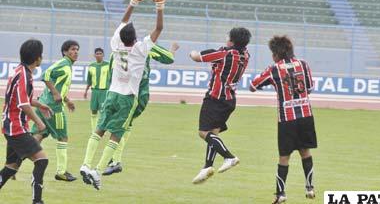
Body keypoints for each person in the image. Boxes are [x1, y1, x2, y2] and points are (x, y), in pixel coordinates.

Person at [80, 0, 167, 190]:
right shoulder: (140, 49)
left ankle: (85, 164)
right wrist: (159, 5)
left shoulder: (114, 44)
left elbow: (123, 21)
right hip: (128, 97)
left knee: (99, 129)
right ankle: (97, 170)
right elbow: (159, 29)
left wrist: (133, 2)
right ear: (135, 38)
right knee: (117, 133)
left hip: (112, 93)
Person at [249, 35, 317, 203]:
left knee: (284, 157)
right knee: (305, 152)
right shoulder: (303, 64)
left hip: (287, 119)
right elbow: (309, 88)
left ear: (275, 54)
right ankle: (310, 188)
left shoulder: (274, 69)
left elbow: (253, 86)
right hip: (306, 115)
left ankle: (281, 194)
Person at [103, 42, 179, 175]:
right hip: (134, 95)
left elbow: (111, 77)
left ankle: (116, 161)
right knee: (125, 125)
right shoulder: (144, 46)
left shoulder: (117, 52)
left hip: (131, 96)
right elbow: (169, 58)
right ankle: (115, 159)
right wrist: (172, 49)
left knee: (119, 126)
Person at [189, 27, 251, 184]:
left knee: (203, 132)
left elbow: (197, 57)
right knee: (213, 133)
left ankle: (229, 157)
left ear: (231, 40)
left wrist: (193, 52)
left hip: (215, 98)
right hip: (230, 99)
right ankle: (207, 167)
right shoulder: (245, 55)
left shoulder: (224, 53)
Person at [0, 39, 52, 204]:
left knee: (11, 168)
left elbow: (23, 99)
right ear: (37, 58)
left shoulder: (20, 71)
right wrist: (39, 122)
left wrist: (40, 104)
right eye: (41, 55)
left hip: (12, 126)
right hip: (16, 128)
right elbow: (23, 104)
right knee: (42, 160)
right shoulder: (24, 75)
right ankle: (37, 201)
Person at [31, 40, 80, 182]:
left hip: (44, 104)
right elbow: (46, 74)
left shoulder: (68, 66)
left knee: (39, 135)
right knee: (62, 137)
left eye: (77, 49)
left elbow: (58, 86)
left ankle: (15, 161)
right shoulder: (64, 64)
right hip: (53, 107)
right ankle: (61, 171)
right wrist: (55, 94)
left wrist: (66, 99)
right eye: (72, 49)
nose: (76, 52)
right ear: (65, 52)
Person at [84, 47, 110, 132]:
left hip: (104, 91)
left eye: (100, 53)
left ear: (103, 55)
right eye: (97, 54)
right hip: (94, 91)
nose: (98, 55)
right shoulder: (91, 66)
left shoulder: (108, 65)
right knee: (93, 110)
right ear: (94, 55)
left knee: (103, 111)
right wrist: (86, 91)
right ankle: (93, 130)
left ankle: (101, 129)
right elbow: (89, 80)